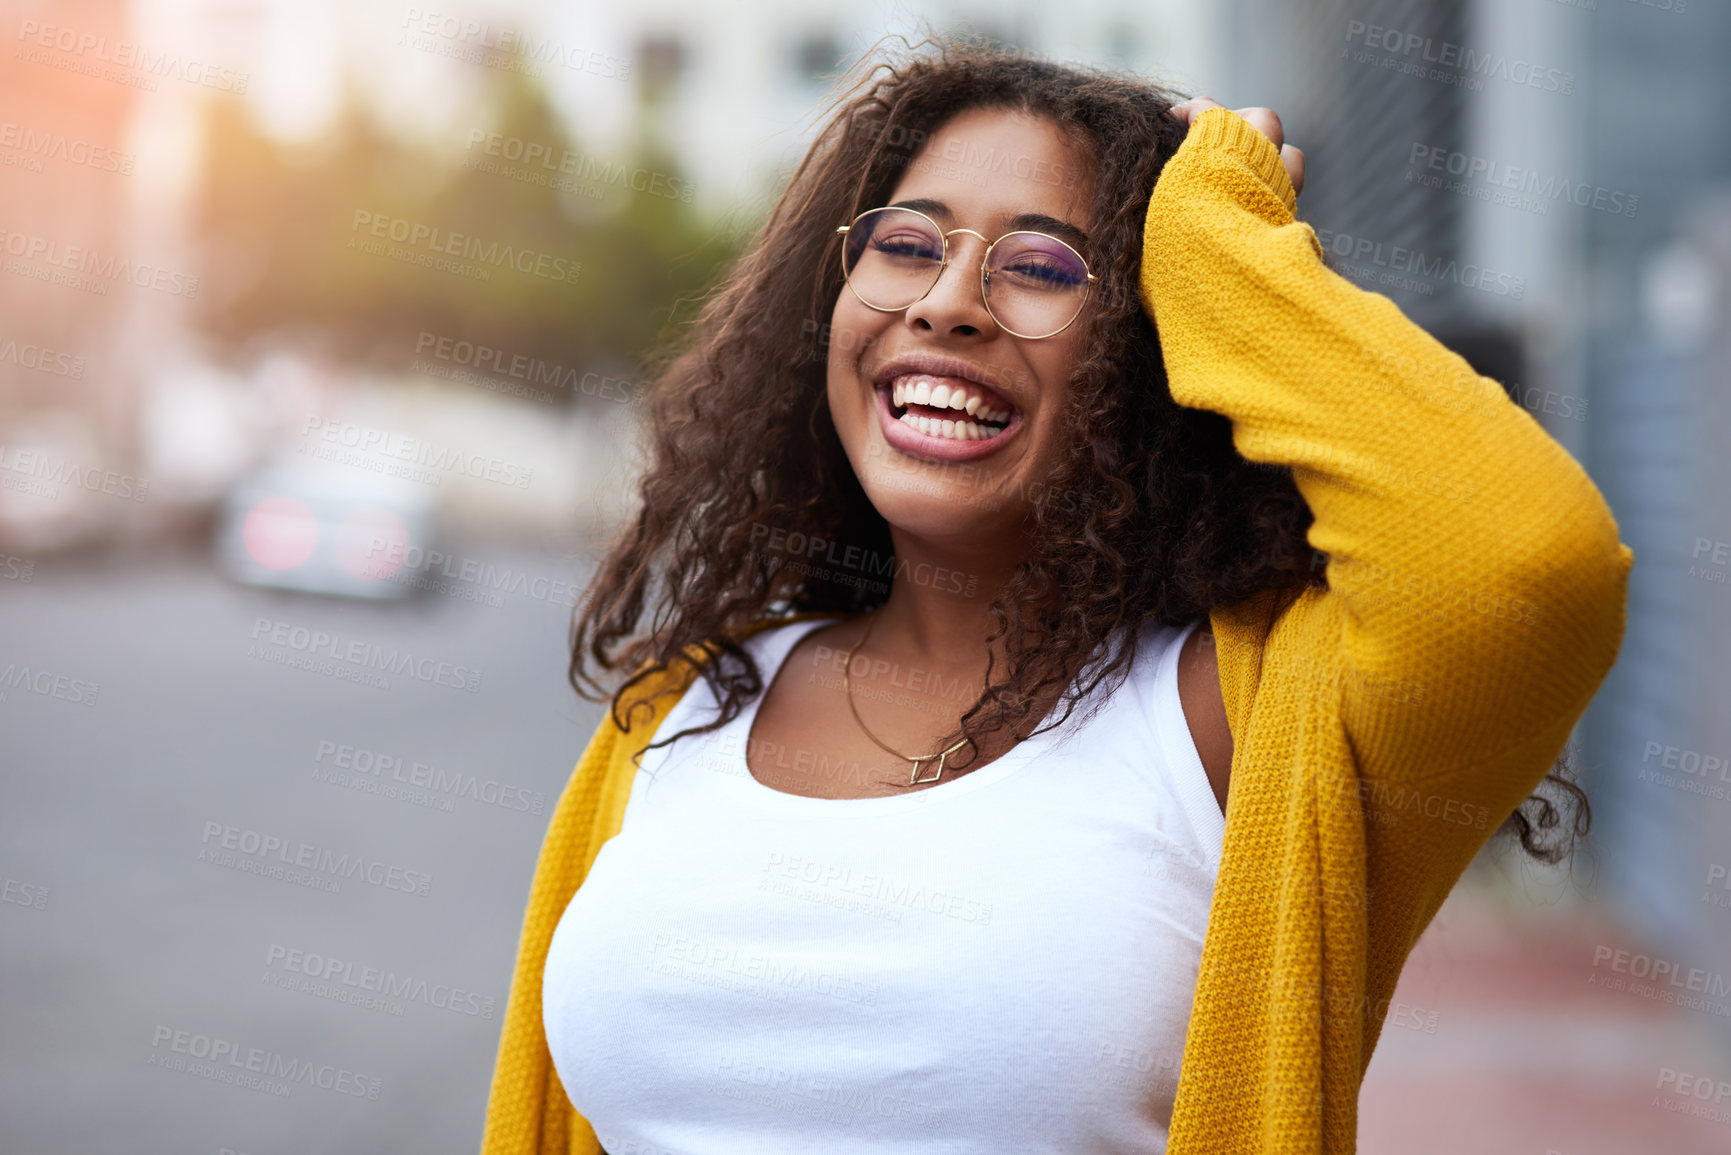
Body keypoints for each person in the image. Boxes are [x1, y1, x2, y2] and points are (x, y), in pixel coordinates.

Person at [479, 40, 1631, 1155]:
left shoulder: (1243, 717)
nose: (949, 303)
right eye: (905, 245)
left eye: (1042, 267)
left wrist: (1223, 251)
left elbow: (1526, 561)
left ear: (1154, 341)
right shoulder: (685, 706)